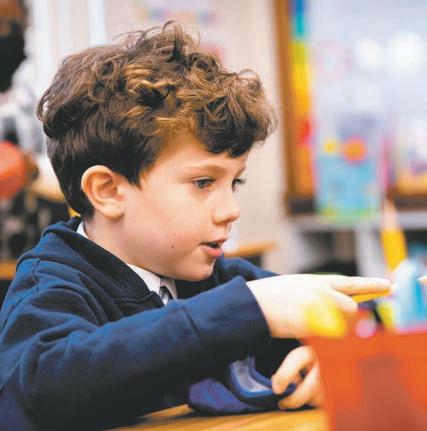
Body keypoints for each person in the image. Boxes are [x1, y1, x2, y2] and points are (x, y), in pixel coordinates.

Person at [0, 22, 390, 430]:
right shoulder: (51, 286)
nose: (231, 210)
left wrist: (334, 358)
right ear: (108, 191)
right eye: (203, 182)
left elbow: (368, 320)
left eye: (234, 183)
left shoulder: (219, 281)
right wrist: (246, 311)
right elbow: (48, 387)